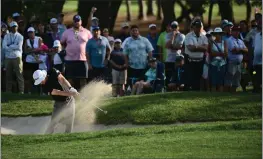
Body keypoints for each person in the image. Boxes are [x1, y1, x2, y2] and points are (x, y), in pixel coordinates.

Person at [32, 68, 79, 134]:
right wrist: (72, 93)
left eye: (41, 80)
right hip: (59, 103)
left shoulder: (53, 71)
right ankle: (47, 137)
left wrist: (70, 88)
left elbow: (62, 79)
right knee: (53, 122)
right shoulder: (44, 87)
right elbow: (58, 92)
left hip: (70, 101)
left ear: (44, 76)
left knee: (70, 122)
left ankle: (67, 138)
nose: (41, 83)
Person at [61, 15, 92, 90]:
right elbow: (62, 42)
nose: (77, 22)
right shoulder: (67, 32)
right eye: (75, 21)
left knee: (83, 79)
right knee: (70, 79)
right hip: (69, 59)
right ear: (73, 22)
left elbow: (91, 43)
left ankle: (83, 96)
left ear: (81, 21)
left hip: (82, 59)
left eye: (78, 21)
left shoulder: (87, 32)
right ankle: (70, 95)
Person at [184, 19, 208, 91]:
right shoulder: (188, 36)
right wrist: (201, 47)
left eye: (199, 27)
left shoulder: (204, 36)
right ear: (193, 27)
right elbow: (191, 48)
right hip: (190, 61)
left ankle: (196, 92)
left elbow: (205, 48)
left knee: (198, 78)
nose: (198, 28)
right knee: (190, 77)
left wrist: (196, 47)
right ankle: (189, 92)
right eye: (196, 27)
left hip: (200, 61)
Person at [2, 21, 24, 94]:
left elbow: (19, 46)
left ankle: (21, 91)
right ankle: (8, 91)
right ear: (10, 28)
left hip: (17, 57)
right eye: (13, 26)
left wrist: (10, 46)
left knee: (19, 74)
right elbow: (4, 46)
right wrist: (13, 46)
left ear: (17, 27)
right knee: (8, 75)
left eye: (15, 26)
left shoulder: (20, 36)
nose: (14, 28)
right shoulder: (6, 36)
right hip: (8, 57)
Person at [224, 25, 248, 93]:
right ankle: (226, 94)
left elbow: (247, 50)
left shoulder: (240, 41)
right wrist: (242, 50)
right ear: (231, 32)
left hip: (239, 63)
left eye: (238, 31)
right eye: (235, 31)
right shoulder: (229, 40)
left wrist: (239, 49)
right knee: (229, 79)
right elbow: (233, 50)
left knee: (236, 80)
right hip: (231, 62)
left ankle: (233, 93)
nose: (237, 32)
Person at [165, 21, 185, 85]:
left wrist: (172, 46)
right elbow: (167, 46)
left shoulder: (182, 36)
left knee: (177, 76)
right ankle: (168, 89)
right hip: (169, 59)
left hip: (178, 60)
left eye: (175, 27)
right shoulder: (168, 35)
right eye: (172, 27)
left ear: (178, 27)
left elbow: (180, 46)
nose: (174, 28)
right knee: (168, 76)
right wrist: (173, 36)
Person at [23, 27, 42, 94]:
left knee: (37, 77)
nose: (31, 34)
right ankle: (29, 91)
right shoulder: (27, 41)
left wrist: (31, 50)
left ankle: (37, 92)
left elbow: (41, 49)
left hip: (37, 61)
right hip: (29, 61)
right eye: (29, 33)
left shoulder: (39, 39)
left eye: (32, 32)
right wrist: (33, 50)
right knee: (29, 77)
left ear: (34, 32)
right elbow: (25, 51)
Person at [208, 27, 228, 92]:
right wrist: (220, 53)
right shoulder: (211, 43)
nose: (218, 35)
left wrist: (216, 53)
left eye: (219, 34)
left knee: (221, 81)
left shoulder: (224, 42)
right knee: (214, 81)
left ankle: (220, 95)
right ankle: (213, 96)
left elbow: (226, 54)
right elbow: (211, 53)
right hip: (213, 64)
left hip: (222, 64)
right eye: (216, 34)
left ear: (221, 34)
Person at [252, 18, 262, 93]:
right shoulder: (257, 35)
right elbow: (254, 47)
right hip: (256, 61)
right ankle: (256, 88)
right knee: (256, 75)